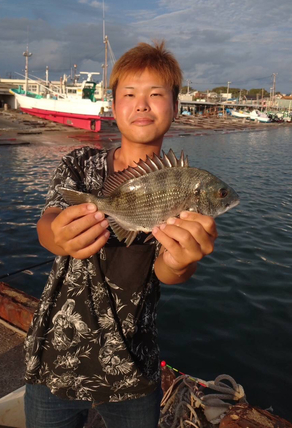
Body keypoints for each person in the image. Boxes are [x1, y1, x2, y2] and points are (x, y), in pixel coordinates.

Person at [24, 41, 218, 428]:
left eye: (156, 94)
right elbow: (47, 223)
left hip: (132, 362)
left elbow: (169, 271)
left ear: (176, 107)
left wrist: (182, 261)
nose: (142, 104)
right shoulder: (79, 164)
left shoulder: (187, 186)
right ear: (114, 107)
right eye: (129, 94)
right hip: (58, 353)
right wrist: (57, 237)